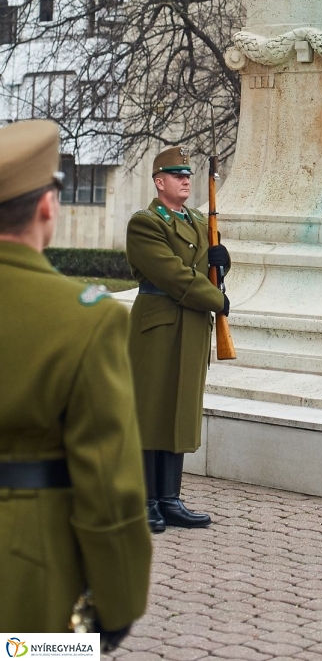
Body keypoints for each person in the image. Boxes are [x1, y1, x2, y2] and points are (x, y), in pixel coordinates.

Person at [0, 119, 151, 638]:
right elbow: (110, 484)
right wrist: (117, 601)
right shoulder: (87, 318)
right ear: (47, 206)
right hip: (27, 575)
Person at [127, 145, 230, 532]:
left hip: (191, 327)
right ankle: (146, 500)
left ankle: (170, 499)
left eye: (188, 175)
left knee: (179, 412)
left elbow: (203, 268)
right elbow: (172, 274)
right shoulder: (145, 223)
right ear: (159, 182)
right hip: (158, 326)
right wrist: (216, 299)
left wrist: (221, 261)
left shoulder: (200, 220)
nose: (186, 179)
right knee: (151, 411)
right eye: (177, 175)